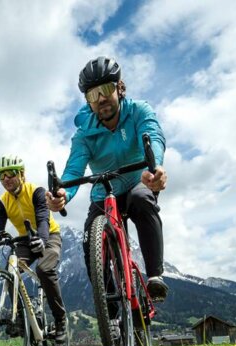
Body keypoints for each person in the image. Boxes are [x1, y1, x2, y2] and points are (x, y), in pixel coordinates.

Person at [46, 55, 170, 302]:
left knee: (141, 199)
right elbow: (73, 170)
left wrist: (155, 167)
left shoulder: (138, 111)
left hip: (138, 182)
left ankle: (155, 276)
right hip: (104, 194)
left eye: (106, 89)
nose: (101, 98)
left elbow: (153, 136)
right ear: (88, 101)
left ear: (119, 88)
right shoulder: (84, 134)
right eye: (93, 94)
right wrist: (63, 194)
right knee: (91, 239)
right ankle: (110, 310)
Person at [0, 155, 68, 342]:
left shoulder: (36, 191)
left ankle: (61, 320)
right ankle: (22, 318)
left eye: (10, 174)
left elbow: (43, 219)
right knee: (10, 272)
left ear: (21, 174)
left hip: (50, 236)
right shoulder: (2, 202)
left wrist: (43, 240)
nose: (6, 179)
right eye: (1, 176)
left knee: (44, 270)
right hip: (24, 241)